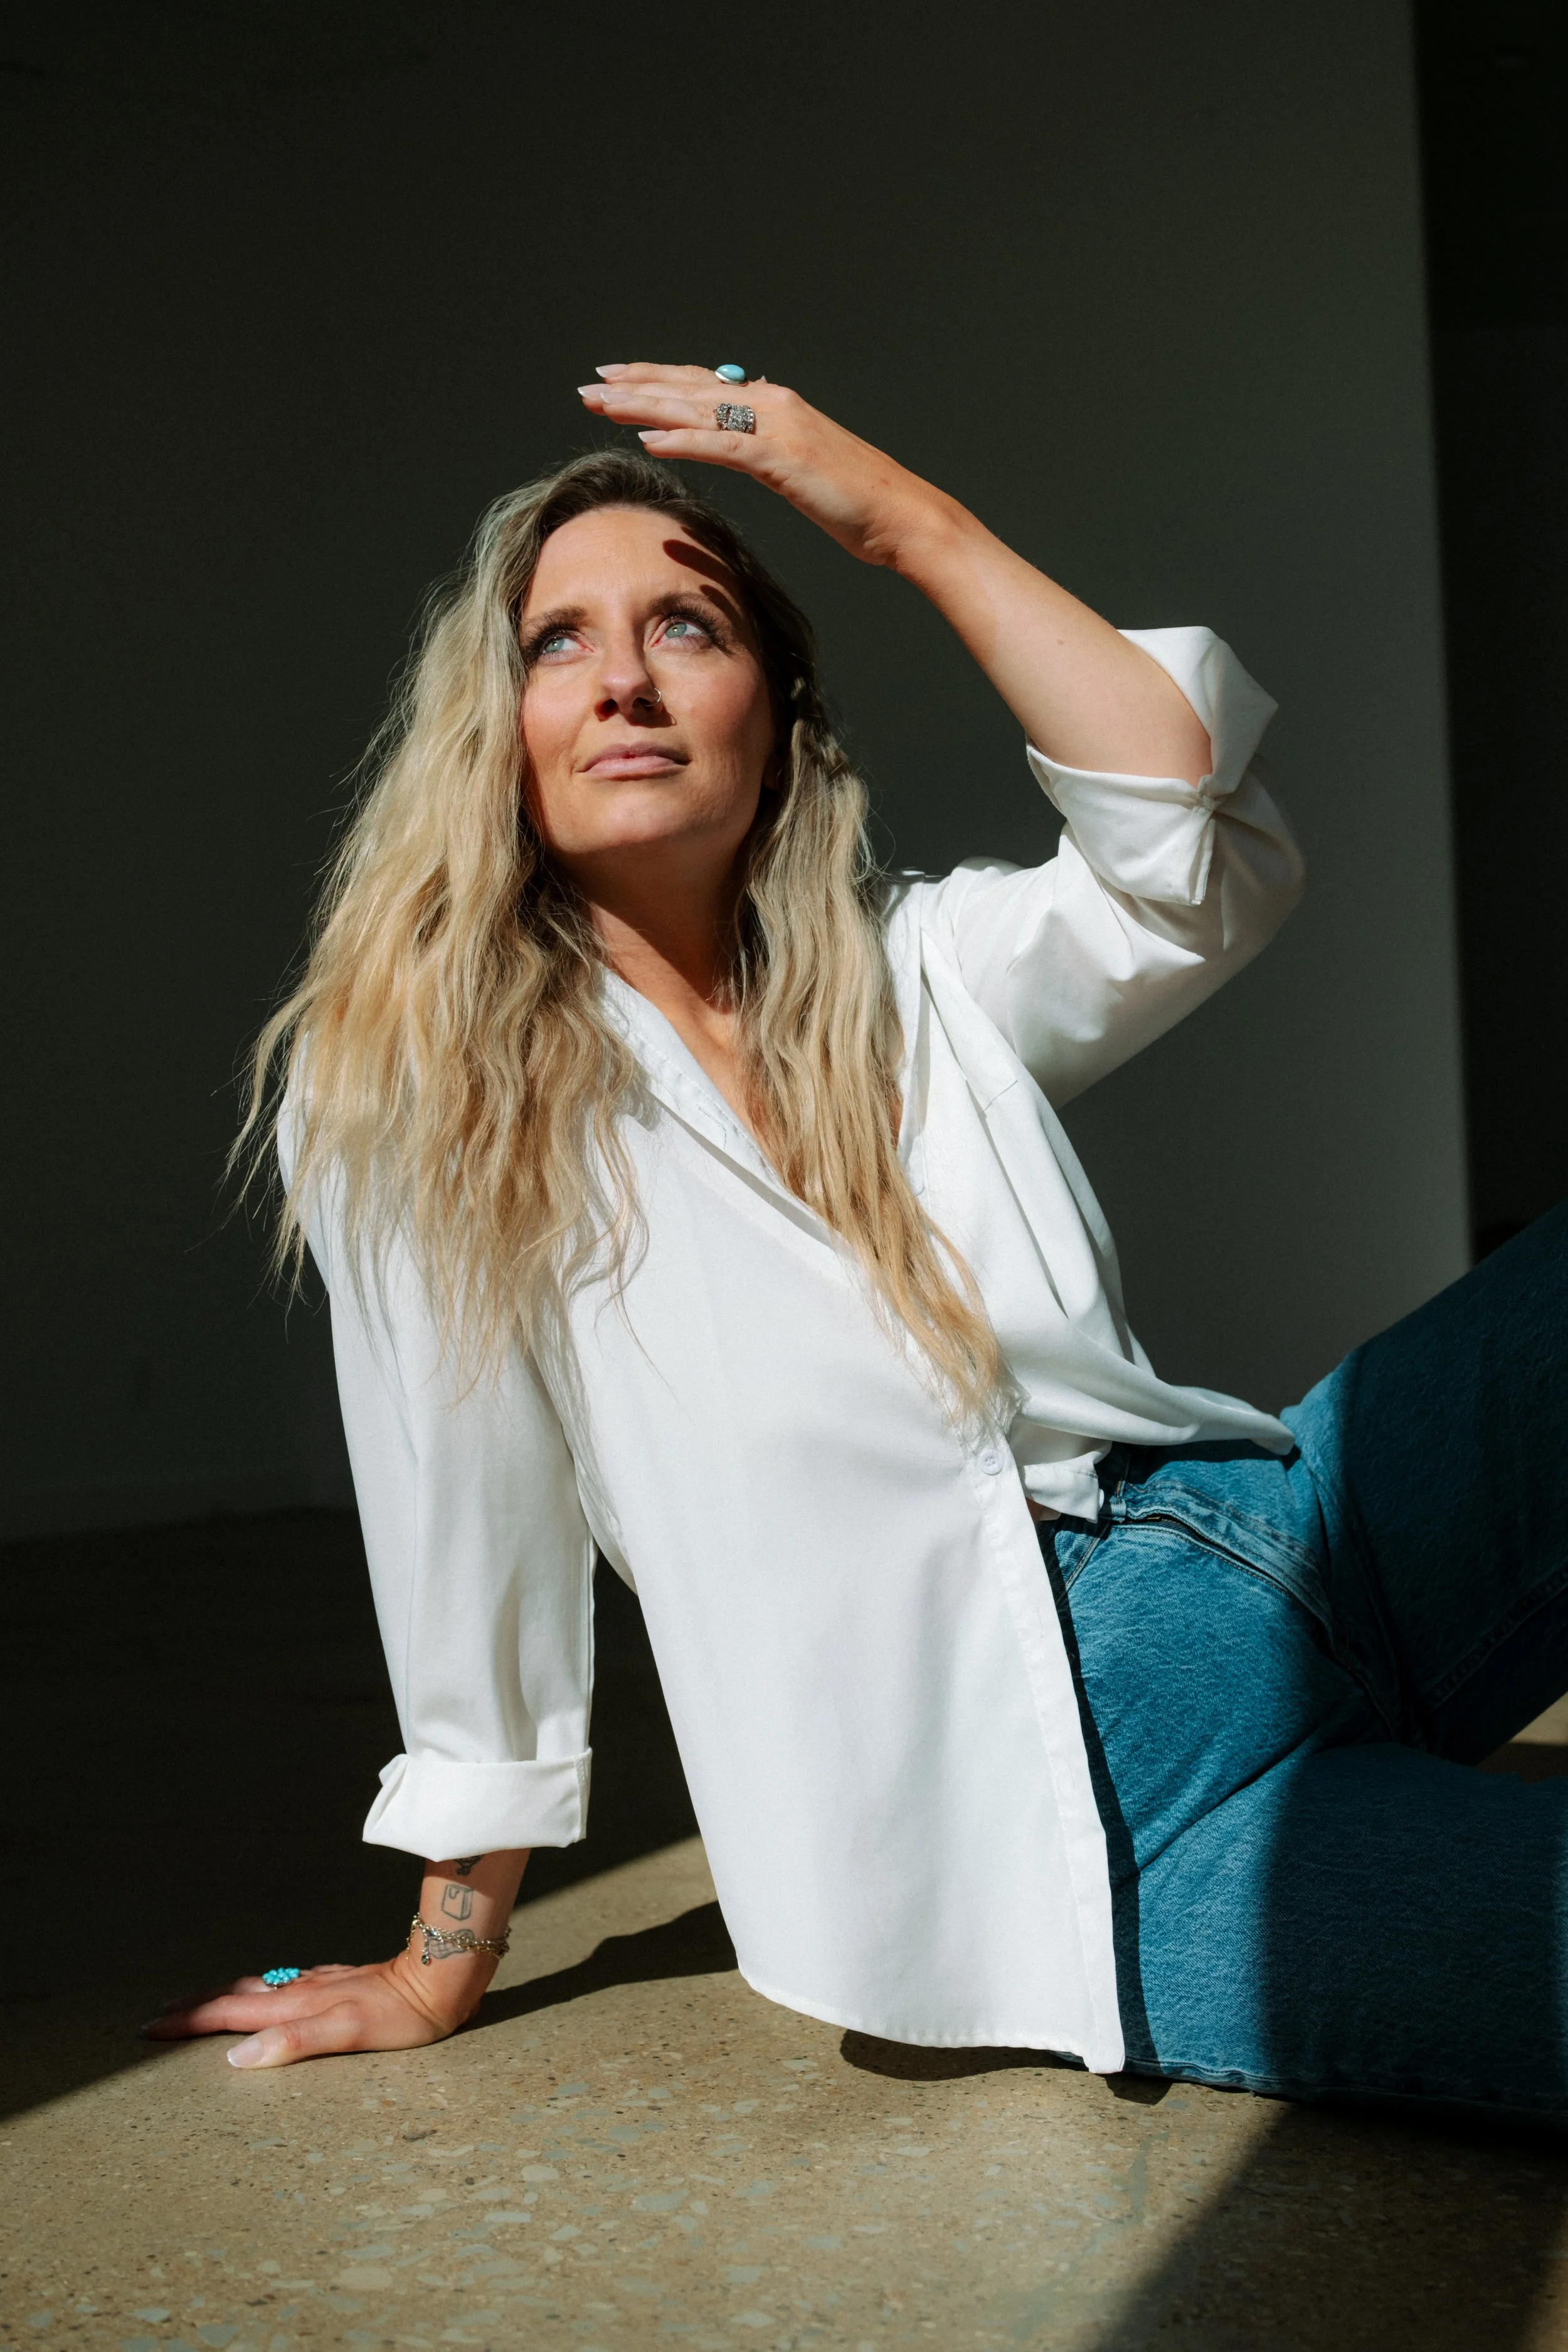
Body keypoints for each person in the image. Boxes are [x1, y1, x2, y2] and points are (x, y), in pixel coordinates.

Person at [154, 366, 1568, 2116]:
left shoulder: (921, 968)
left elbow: (1184, 837)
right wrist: (444, 1952)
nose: (620, 679)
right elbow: (470, 1526)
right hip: (1100, 1828)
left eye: (686, 626)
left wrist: (897, 516)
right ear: (493, 725)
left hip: (1280, 1542)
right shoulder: (421, 1103)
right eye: (558, 642)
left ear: (775, 708)